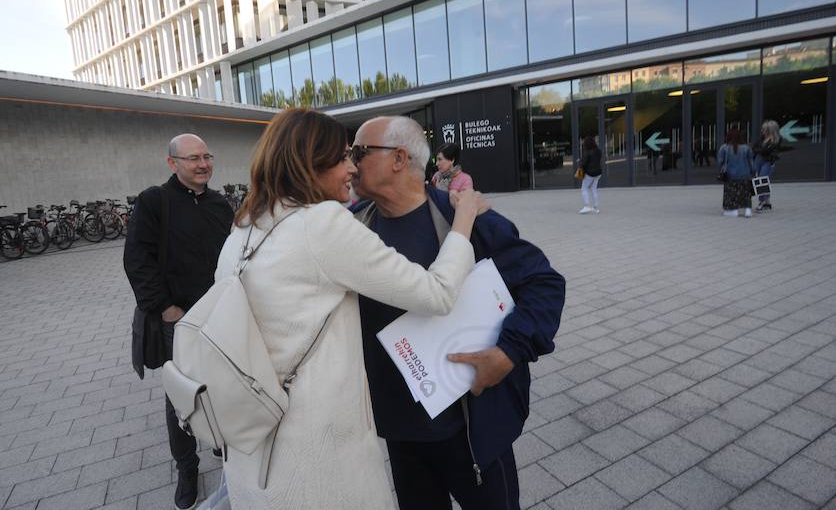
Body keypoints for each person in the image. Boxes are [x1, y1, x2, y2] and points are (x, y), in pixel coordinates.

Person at [216, 108, 485, 509]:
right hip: (317, 446)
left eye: (356, 155)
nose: (351, 168)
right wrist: (463, 220)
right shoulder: (322, 223)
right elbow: (438, 293)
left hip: (255, 437)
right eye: (344, 157)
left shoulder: (244, 228)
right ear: (312, 163)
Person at [351, 116, 566, 510]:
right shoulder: (352, 228)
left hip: (471, 431)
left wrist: (507, 353)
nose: (350, 163)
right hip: (400, 434)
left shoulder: (465, 218)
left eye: (360, 152)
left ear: (399, 158)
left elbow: (544, 283)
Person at [123, 134, 234, 510]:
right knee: (182, 400)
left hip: (220, 318)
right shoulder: (155, 202)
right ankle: (187, 469)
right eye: (192, 159)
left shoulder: (221, 205)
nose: (203, 164)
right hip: (179, 322)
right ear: (173, 163)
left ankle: (224, 447)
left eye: (207, 156)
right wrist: (167, 308)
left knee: (223, 387)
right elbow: (137, 260)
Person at [718, 128, 754, 218]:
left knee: (731, 193)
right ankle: (748, 210)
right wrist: (753, 171)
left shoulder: (724, 147)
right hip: (745, 175)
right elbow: (751, 162)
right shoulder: (746, 148)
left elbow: (720, 161)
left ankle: (733, 210)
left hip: (730, 176)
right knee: (746, 193)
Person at [752, 120, 781, 212]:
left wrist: (760, 150)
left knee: (762, 179)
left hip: (768, 161)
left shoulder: (777, 139)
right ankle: (767, 201)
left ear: (770, 130)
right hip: (758, 159)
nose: (762, 131)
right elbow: (754, 147)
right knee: (759, 179)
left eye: (764, 129)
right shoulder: (762, 138)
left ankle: (761, 202)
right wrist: (760, 150)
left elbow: (767, 151)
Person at [578, 136, 602, 214]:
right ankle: (596, 208)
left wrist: (580, 162)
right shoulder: (598, 151)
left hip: (590, 173)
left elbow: (584, 163)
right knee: (593, 189)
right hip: (598, 173)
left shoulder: (587, 152)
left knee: (584, 188)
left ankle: (587, 206)